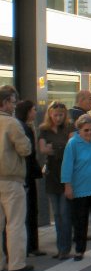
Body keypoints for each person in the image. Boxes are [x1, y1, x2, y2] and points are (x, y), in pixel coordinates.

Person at [61, 114, 91, 261]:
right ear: (79, 129)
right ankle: (79, 250)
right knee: (80, 221)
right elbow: (67, 165)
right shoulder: (73, 143)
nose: (89, 133)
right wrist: (67, 186)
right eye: (86, 130)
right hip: (80, 188)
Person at [0, 86, 33, 271]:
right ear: (4, 103)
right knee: (15, 223)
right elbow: (25, 149)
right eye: (12, 102)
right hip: (11, 179)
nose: (14, 106)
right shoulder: (11, 123)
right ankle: (16, 263)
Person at [39, 101, 73, 260]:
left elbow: (71, 148)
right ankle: (60, 248)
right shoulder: (44, 130)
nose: (58, 118)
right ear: (50, 115)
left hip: (66, 175)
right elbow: (43, 149)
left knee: (65, 214)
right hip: (52, 175)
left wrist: (55, 148)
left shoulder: (69, 128)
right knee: (57, 215)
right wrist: (60, 148)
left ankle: (65, 248)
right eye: (55, 115)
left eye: (61, 115)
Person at [15, 100, 45, 257]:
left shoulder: (25, 126)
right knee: (28, 211)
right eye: (33, 110)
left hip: (25, 174)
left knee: (29, 211)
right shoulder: (23, 127)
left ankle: (31, 246)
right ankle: (30, 247)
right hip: (25, 175)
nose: (35, 112)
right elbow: (28, 152)